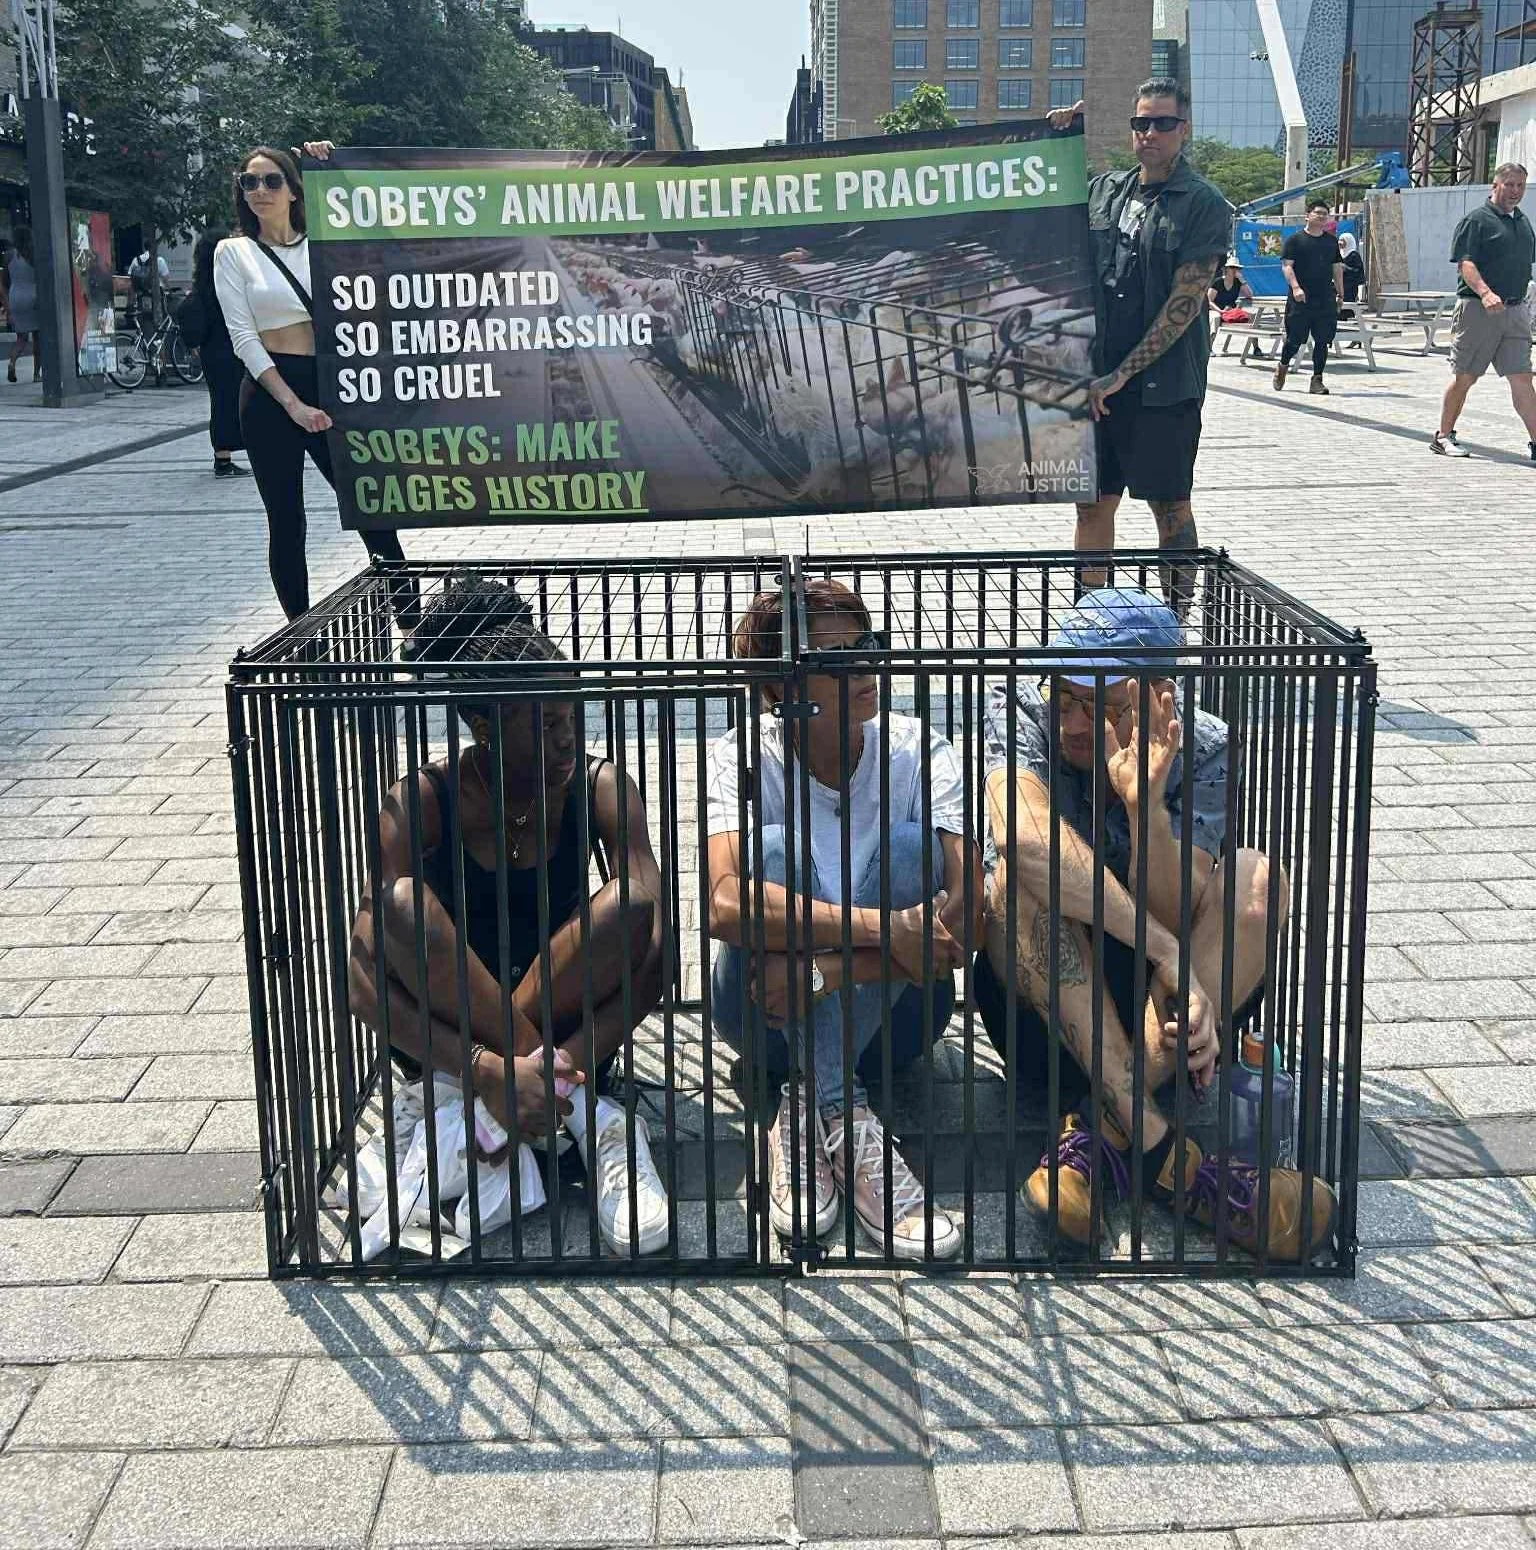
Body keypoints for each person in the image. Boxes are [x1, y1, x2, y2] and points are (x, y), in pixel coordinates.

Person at [974, 586, 1335, 1262]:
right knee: (1014, 885)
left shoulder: (1202, 746)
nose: (1076, 724)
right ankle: (1177, 1164)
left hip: (1161, 1014)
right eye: (1069, 699)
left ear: (1159, 695)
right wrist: (1164, 947)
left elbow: (1180, 903)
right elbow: (1024, 839)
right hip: (1043, 1012)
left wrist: (1146, 811)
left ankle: (1096, 1137)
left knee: (1257, 877)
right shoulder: (1021, 707)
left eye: (1105, 706)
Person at [346, 576, 672, 1256]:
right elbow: (359, 975)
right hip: (450, 1025)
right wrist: (483, 1068)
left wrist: (565, 1062)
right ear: (486, 726)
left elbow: (659, 949)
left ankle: (549, 1097)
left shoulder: (599, 784)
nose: (566, 741)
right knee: (400, 905)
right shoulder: (422, 800)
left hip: (564, 1011)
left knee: (632, 905)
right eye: (546, 724)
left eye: (571, 720)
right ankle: (562, 1110)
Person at [705, 581, 983, 1260]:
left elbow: (971, 910)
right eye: (835, 657)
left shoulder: (918, 748)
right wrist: (884, 930)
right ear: (782, 689)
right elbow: (721, 904)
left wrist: (827, 973)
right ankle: (843, 1117)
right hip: (761, 1014)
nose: (865, 669)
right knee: (770, 853)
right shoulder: (745, 755)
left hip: (901, 1020)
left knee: (913, 849)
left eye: (868, 647)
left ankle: (813, 1108)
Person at [1046, 79, 1232, 612]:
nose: (1149, 134)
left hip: (1161, 387)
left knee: (1170, 507)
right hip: (1099, 383)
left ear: (1183, 129)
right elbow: (1041, 215)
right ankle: (1093, 630)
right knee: (1092, 506)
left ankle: (1170, 632)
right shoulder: (1107, 191)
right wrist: (1055, 144)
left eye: (1162, 123)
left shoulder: (1203, 205)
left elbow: (1185, 303)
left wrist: (1122, 373)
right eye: (1141, 123)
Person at [214, 143, 412, 621]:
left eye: (271, 180)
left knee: (371, 508)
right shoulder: (233, 252)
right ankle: (299, 636)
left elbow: (378, 229)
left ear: (293, 190)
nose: (259, 191)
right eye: (249, 182)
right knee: (287, 521)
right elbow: (243, 336)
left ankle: (412, 627)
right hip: (268, 393)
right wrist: (292, 404)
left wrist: (332, 166)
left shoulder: (323, 239)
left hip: (331, 384)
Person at [1431, 162, 1536, 460]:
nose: (1515, 191)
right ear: (1495, 185)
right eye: (1510, 185)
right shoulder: (1476, 220)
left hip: (1515, 312)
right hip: (1479, 310)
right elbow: (1465, 263)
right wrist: (1485, 292)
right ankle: (1443, 436)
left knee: (1522, 377)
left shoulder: (1522, 222)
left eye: (1520, 186)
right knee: (1465, 376)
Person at [178, 229, 248, 479]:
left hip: (215, 353)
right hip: (229, 351)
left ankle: (224, 457)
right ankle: (224, 460)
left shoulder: (205, 284)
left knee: (221, 402)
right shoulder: (225, 281)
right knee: (228, 403)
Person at [1274, 200, 1342, 396]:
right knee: (1295, 340)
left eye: (1325, 214)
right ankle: (1283, 365)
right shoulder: (1295, 240)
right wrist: (1296, 287)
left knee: (1323, 340)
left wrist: (1340, 293)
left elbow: (1337, 268)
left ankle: (1317, 380)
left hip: (1325, 297)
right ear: (1307, 215)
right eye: (1318, 213)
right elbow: (1287, 266)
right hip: (1301, 298)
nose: (1322, 216)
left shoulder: (1331, 242)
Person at [1, 227, 38, 384]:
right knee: (38, 337)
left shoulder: (9, 256)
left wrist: (7, 305)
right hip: (33, 295)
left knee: (21, 338)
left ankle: (12, 362)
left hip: (15, 296)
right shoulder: (33, 254)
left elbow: (3, 282)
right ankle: (37, 374)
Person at [1337, 230, 1366, 318]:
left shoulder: (1354, 255)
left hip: (1350, 286)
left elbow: (1358, 271)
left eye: (1343, 241)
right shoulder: (1340, 254)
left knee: (1348, 307)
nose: (1341, 243)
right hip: (1340, 284)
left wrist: (1346, 268)